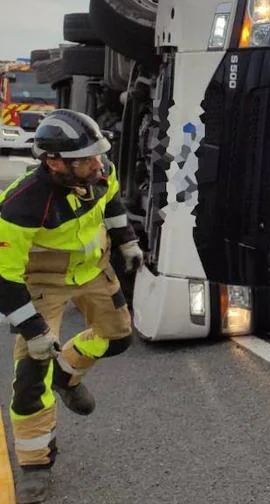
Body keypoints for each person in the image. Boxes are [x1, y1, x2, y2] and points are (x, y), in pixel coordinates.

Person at [0, 109, 142, 504]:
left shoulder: (99, 170)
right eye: (87, 160)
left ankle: (66, 374)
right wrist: (35, 332)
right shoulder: (21, 205)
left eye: (98, 155)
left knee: (117, 339)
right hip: (44, 281)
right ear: (55, 163)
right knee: (31, 375)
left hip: (92, 270)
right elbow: (4, 278)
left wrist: (126, 239)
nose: (99, 164)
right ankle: (35, 466)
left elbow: (111, 200)